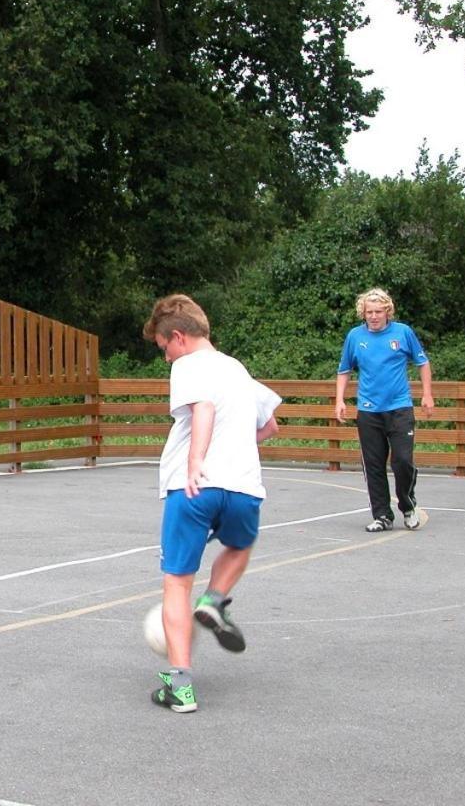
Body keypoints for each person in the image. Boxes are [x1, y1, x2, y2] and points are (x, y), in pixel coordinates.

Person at [142, 293, 281, 713]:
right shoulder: (238, 370)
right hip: (242, 485)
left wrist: (197, 461)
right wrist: (234, 448)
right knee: (240, 546)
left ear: (178, 338)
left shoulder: (189, 366)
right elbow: (271, 426)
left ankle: (180, 688)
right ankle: (215, 600)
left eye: (164, 348)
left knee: (176, 582)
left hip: (194, 488)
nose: (166, 358)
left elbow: (202, 408)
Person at [334, 288, 434, 533]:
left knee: (402, 460)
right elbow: (344, 370)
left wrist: (427, 394)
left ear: (387, 311)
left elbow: (422, 362)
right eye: (369, 312)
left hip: (399, 407)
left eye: (378, 311)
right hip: (369, 410)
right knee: (374, 464)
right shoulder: (355, 337)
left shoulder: (402, 332)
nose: (374, 316)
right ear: (363, 313)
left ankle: (408, 506)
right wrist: (340, 400)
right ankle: (381, 515)